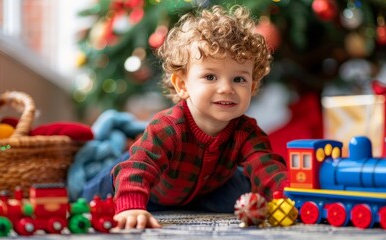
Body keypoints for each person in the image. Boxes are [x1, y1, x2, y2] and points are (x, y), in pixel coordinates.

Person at [111, 5, 287, 229]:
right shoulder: (168, 127)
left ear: (252, 87)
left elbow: (267, 167)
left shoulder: (246, 131)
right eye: (210, 76)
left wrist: (289, 197)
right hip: (153, 191)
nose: (226, 88)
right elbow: (140, 166)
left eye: (239, 79)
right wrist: (131, 206)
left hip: (206, 191)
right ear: (183, 85)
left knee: (244, 191)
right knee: (110, 187)